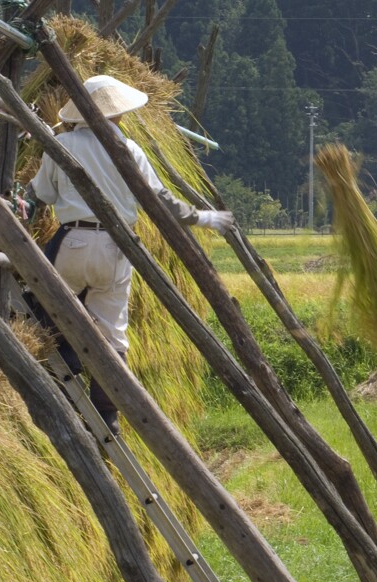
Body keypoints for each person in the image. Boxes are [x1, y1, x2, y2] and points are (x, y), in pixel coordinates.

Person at [28, 75, 233, 435]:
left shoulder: (61, 144)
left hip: (72, 242)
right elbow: (160, 200)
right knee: (113, 332)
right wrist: (203, 217)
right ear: (117, 114)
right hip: (118, 248)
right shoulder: (131, 150)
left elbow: (42, 194)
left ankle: (68, 361)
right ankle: (107, 415)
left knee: (46, 303)